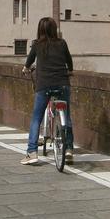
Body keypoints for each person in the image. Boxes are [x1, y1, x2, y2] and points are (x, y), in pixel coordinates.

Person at [20, 17, 73, 166]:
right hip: (62, 83)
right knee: (67, 117)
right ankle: (69, 149)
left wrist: (25, 69)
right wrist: (70, 71)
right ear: (54, 29)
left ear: (40, 30)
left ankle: (32, 152)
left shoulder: (37, 45)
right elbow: (69, 61)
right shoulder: (62, 43)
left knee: (36, 118)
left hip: (44, 85)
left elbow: (29, 62)